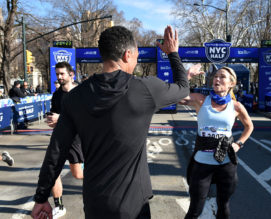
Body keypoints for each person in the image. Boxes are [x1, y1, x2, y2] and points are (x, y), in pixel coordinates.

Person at [31, 25, 189, 219]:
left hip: (95, 204)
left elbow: (56, 151)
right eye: (136, 55)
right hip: (133, 207)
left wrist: (41, 197)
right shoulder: (145, 89)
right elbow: (183, 87)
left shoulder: (75, 97)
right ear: (127, 55)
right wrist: (173, 53)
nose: (137, 60)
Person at [180, 66, 253, 219]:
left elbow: (249, 126)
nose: (217, 79)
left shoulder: (236, 106)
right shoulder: (201, 100)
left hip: (226, 164)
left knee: (223, 206)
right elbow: (174, 96)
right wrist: (187, 76)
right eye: (215, 76)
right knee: (195, 210)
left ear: (231, 83)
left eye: (222, 77)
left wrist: (238, 144)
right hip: (202, 164)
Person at [46, 61, 84, 219]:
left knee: (78, 175)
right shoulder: (57, 94)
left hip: (77, 139)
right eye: (57, 74)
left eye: (62, 74)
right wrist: (51, 120)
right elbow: (55, 114)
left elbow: (85, 118)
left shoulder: (81, 92)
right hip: (59, 138)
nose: (59, 77)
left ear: (71, 75)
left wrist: (60, 118)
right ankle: (59, 205)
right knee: (52, 172)